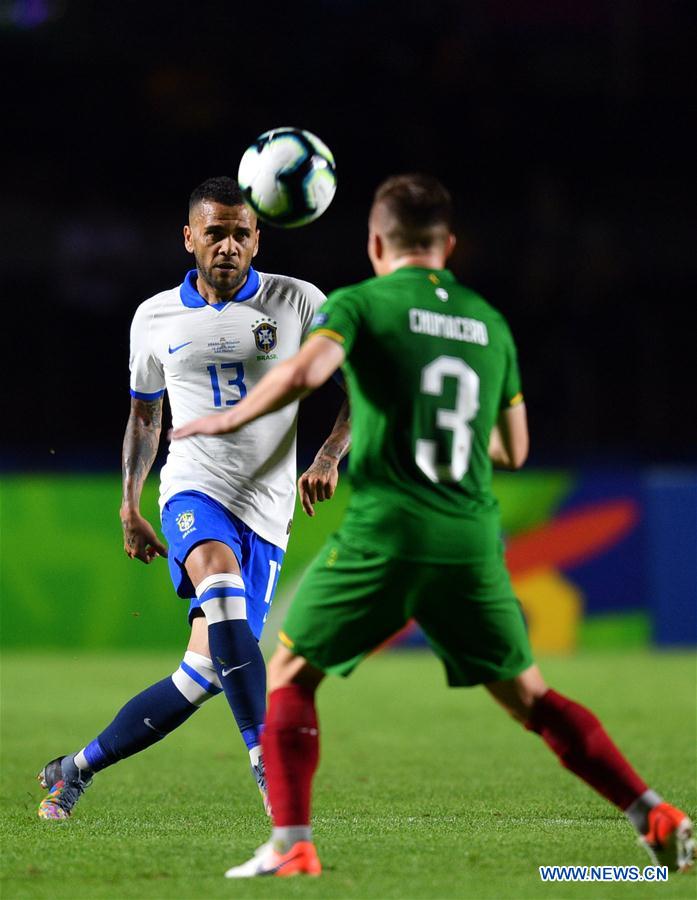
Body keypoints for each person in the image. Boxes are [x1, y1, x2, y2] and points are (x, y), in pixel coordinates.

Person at [173, 173, 694, 878]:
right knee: (532, 699)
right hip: (469, 541)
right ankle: (651, 813)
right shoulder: (488, 323)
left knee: (291, 671)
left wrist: (229, 418)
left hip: (388, 534)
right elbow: (514, 449)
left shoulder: (361, 304)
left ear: (375, 244)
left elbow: (306, 373)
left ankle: (292, 843)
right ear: (448, 246)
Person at [37, 176, 350, 821]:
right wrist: (130, 503)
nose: (228, 246)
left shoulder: (299, 303)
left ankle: (75, 769)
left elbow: (363, 387)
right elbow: (144, 418)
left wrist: (328, 456)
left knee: (202, 674)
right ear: (189, 238)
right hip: (191, 488)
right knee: (220, 584)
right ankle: (265, 760)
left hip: (267, 512)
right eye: (215, 233)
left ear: (258, 240)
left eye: (241, 234)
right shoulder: (154, 317)